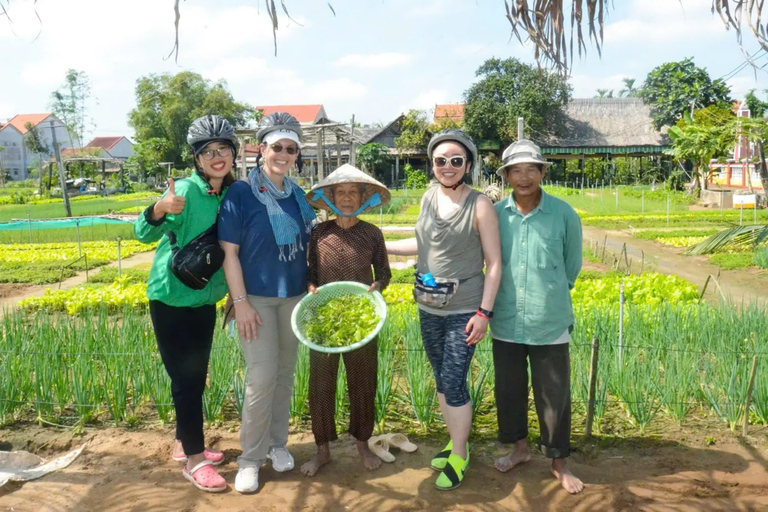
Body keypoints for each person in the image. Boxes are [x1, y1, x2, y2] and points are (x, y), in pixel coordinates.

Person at [386, 130, 501, 490]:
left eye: (455, 161)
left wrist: (484, 314)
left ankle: (461, 453)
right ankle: (455, 439)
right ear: (432, 164)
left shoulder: (479, 204)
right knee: (441, 376)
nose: (447, 167)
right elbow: (423, 246)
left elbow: (494, 263)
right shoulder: (428, 197)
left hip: (465, 308)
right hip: (429, 305)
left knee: (453, 380)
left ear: (467, 165)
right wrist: (380, 246)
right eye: (440, 161)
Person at [134, 114, 237, 492]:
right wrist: (160, 209)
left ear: (233, 153)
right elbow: (142, 234)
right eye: (207, 151)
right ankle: (194, 461)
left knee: (195, 377)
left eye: (223, 148)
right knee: (187, 380)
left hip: (205, 299)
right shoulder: (187, 192)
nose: (216, 156)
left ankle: (183, 443)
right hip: (172, 297)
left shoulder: (232, 193)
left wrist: (232, 296)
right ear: (196, 159)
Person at [218, 112, 316, 494]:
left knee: (284, 374)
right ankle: (250, 459)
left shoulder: (297, 195)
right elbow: (229, 253)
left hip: (292, 297)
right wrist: (239, 302)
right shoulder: (241, 193)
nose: (284, 154)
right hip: (255, 300)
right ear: (262, 149)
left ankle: (277, 443)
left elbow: (308, 246)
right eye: (277, 147)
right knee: (260, 379)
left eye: (291, 149)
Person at [490, 139, 585, 495]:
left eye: (532, 169)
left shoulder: (563, 214)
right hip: (507, 320)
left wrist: (549, 293)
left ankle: (558, 460)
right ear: (506, 175)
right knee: (510, 391)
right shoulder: (496, 214)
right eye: (517, 169)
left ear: (543, 172)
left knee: (554, 395)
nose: (524, 176)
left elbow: (571, 265)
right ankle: (519, 449)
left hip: (550, 319)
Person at [298, 164, 392, 477]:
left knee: (363, 381)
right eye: (341, 192)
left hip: (361, 321)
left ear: (363, 197)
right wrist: (311, 287)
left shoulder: (372, 233)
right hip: (324, 320)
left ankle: (362, 443)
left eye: (354, 192)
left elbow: (385, 273)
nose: (348, 198)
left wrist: (377, 287)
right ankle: (322, 449)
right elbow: (310, 272)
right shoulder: (319, 233)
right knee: (321, 384)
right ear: (331, 197)